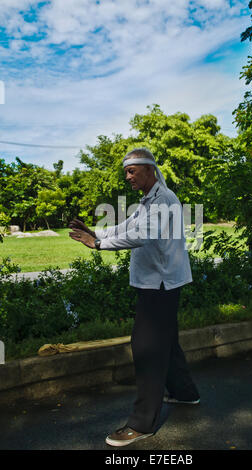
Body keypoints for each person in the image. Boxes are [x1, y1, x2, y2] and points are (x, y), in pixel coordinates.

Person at [69, 147, 200, 447]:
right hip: (157, 284)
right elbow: (126, 227)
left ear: (150, 169)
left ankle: (142, 423)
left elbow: (143, 235)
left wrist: (98, 246)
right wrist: (96, 233)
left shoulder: (164, 199)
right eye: (126, 171)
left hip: (161, 284)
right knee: (167, 343)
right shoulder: (148, 200)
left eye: (132, 171)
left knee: (146, 349)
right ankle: (185, 393)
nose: (127, 176)